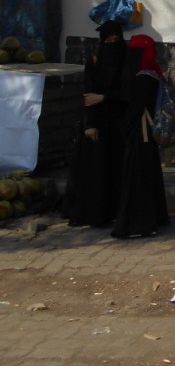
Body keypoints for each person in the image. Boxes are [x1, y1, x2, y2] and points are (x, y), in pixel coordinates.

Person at [64, 20, 128, 228]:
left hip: (119, 122)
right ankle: (96, 214)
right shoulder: (93, 61)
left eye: (115, 40)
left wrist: (104, 98)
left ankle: (118, 211)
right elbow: (87, 94)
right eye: (107, 40)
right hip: (98, 122)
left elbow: (129, 92)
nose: (111, 44)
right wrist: (90, 124)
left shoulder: (127, 60)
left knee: (117, 168)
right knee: (96, 170)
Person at [111, 34, 170, 239]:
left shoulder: (142, 77)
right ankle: (154, 219)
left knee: (137, 179)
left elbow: (135, 109)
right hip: (148, 133)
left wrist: (124, 129)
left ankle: (139, 224)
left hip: (140, 133)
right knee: (149, 175)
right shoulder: (154, 73)